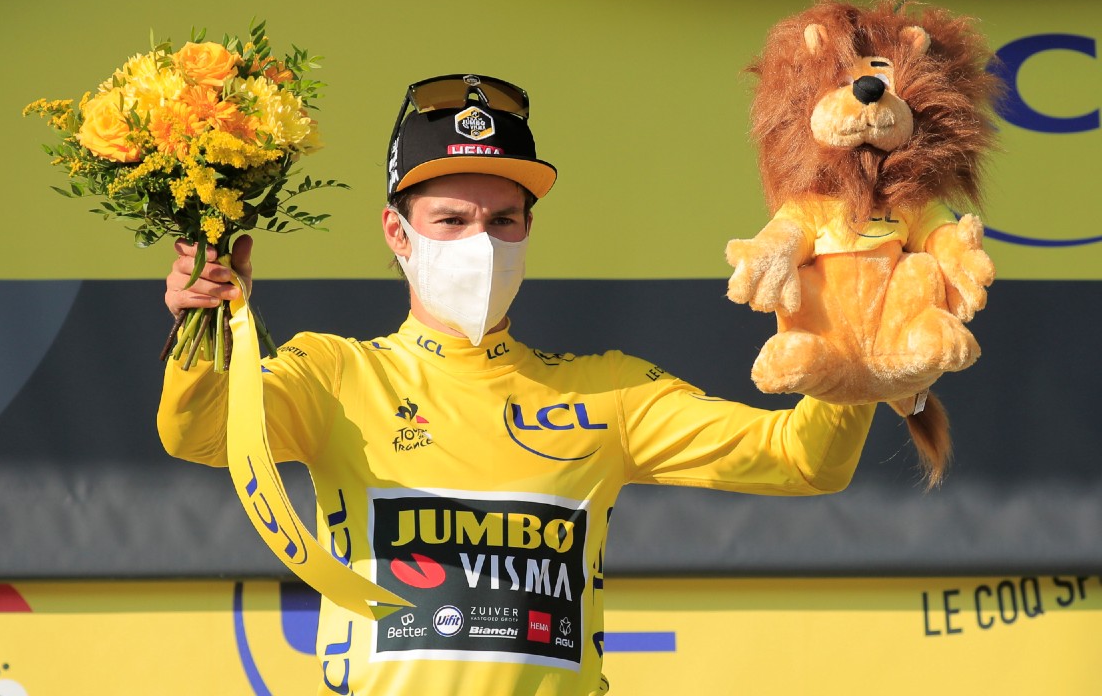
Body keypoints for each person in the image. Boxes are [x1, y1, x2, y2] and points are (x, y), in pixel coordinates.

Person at [157, 73, 875, 695]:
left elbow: (806, 460)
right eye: (451, 220)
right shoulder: (335, 375)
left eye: (504, 220)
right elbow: (199, 433)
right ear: (396, 233)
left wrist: (856, 343)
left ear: (529, 229)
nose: (482, 242)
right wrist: (203, 329)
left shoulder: (609, 395)